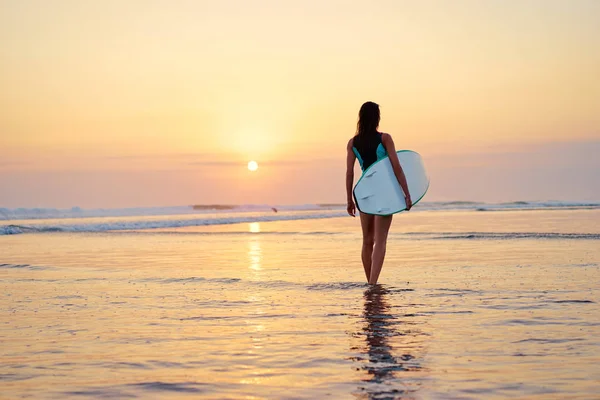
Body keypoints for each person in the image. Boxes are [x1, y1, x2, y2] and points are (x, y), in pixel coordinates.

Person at [346, 101, 412, 285]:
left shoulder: (353, 143)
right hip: (384, 193)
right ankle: (373, 284)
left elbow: (350, 172)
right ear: (377, 118)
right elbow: (396, 167)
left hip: (364, 192)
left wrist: (349, 199)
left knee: (367, 240)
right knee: (380, 240)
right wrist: (406, 193)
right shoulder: (385, 138)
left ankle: (370, 283)